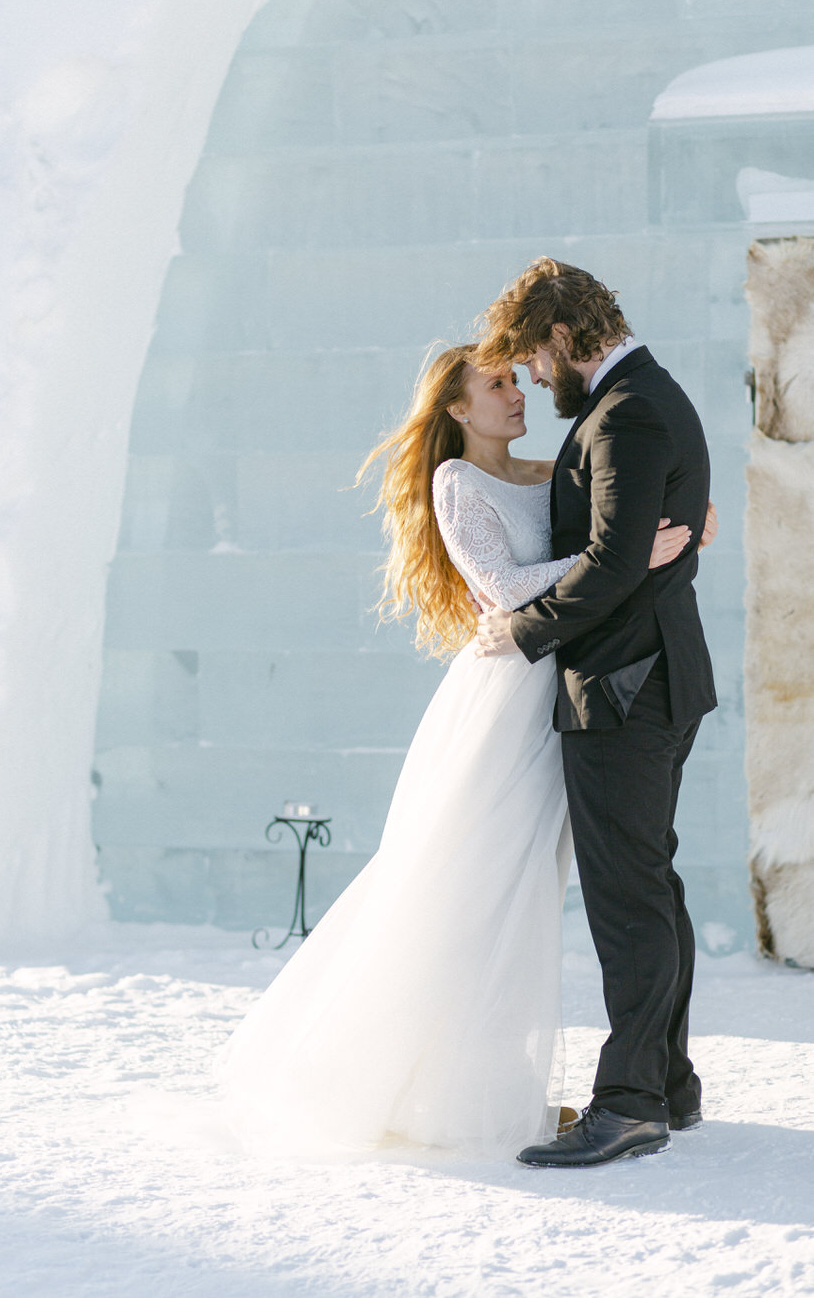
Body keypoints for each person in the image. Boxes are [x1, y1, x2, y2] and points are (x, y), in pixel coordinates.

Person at [213, 342, 696, 1160]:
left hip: (562, 685)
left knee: (535, 886)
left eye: (516, 380)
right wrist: (613, 561)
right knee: (469, 877)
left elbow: (633, 506)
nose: (516, 395)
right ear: (458, 411)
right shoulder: (455, 483)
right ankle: (412, 1078)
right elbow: (505, 588)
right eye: (497, 386)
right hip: (504, 700)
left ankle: (589, 1078)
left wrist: (692, 519)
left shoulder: (550, 470)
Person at [472, 257, 717, 1168]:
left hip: (626, 686)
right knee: (649, 883)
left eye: (536, 359)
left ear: (567, 338)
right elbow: (630, 549)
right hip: (648, 679)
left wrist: (523, 630)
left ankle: (629, 1104)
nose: (536, 377)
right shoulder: (638, 402)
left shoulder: (629, 412)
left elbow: (616, 564)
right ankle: (668, 1084)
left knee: (628, 898)